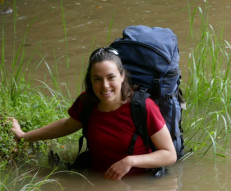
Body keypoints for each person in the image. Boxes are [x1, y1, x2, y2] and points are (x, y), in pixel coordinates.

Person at [10, 47, 177, 180]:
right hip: (95, 178)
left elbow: (169, 154)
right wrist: (24, 136)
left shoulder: (143, 107)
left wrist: (130, 161)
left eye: (111, 77)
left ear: (122, 76)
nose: (104, 85)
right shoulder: (87, 102)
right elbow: (68, 125)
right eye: (97, 79)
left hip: (138, 186)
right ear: (90, 81)